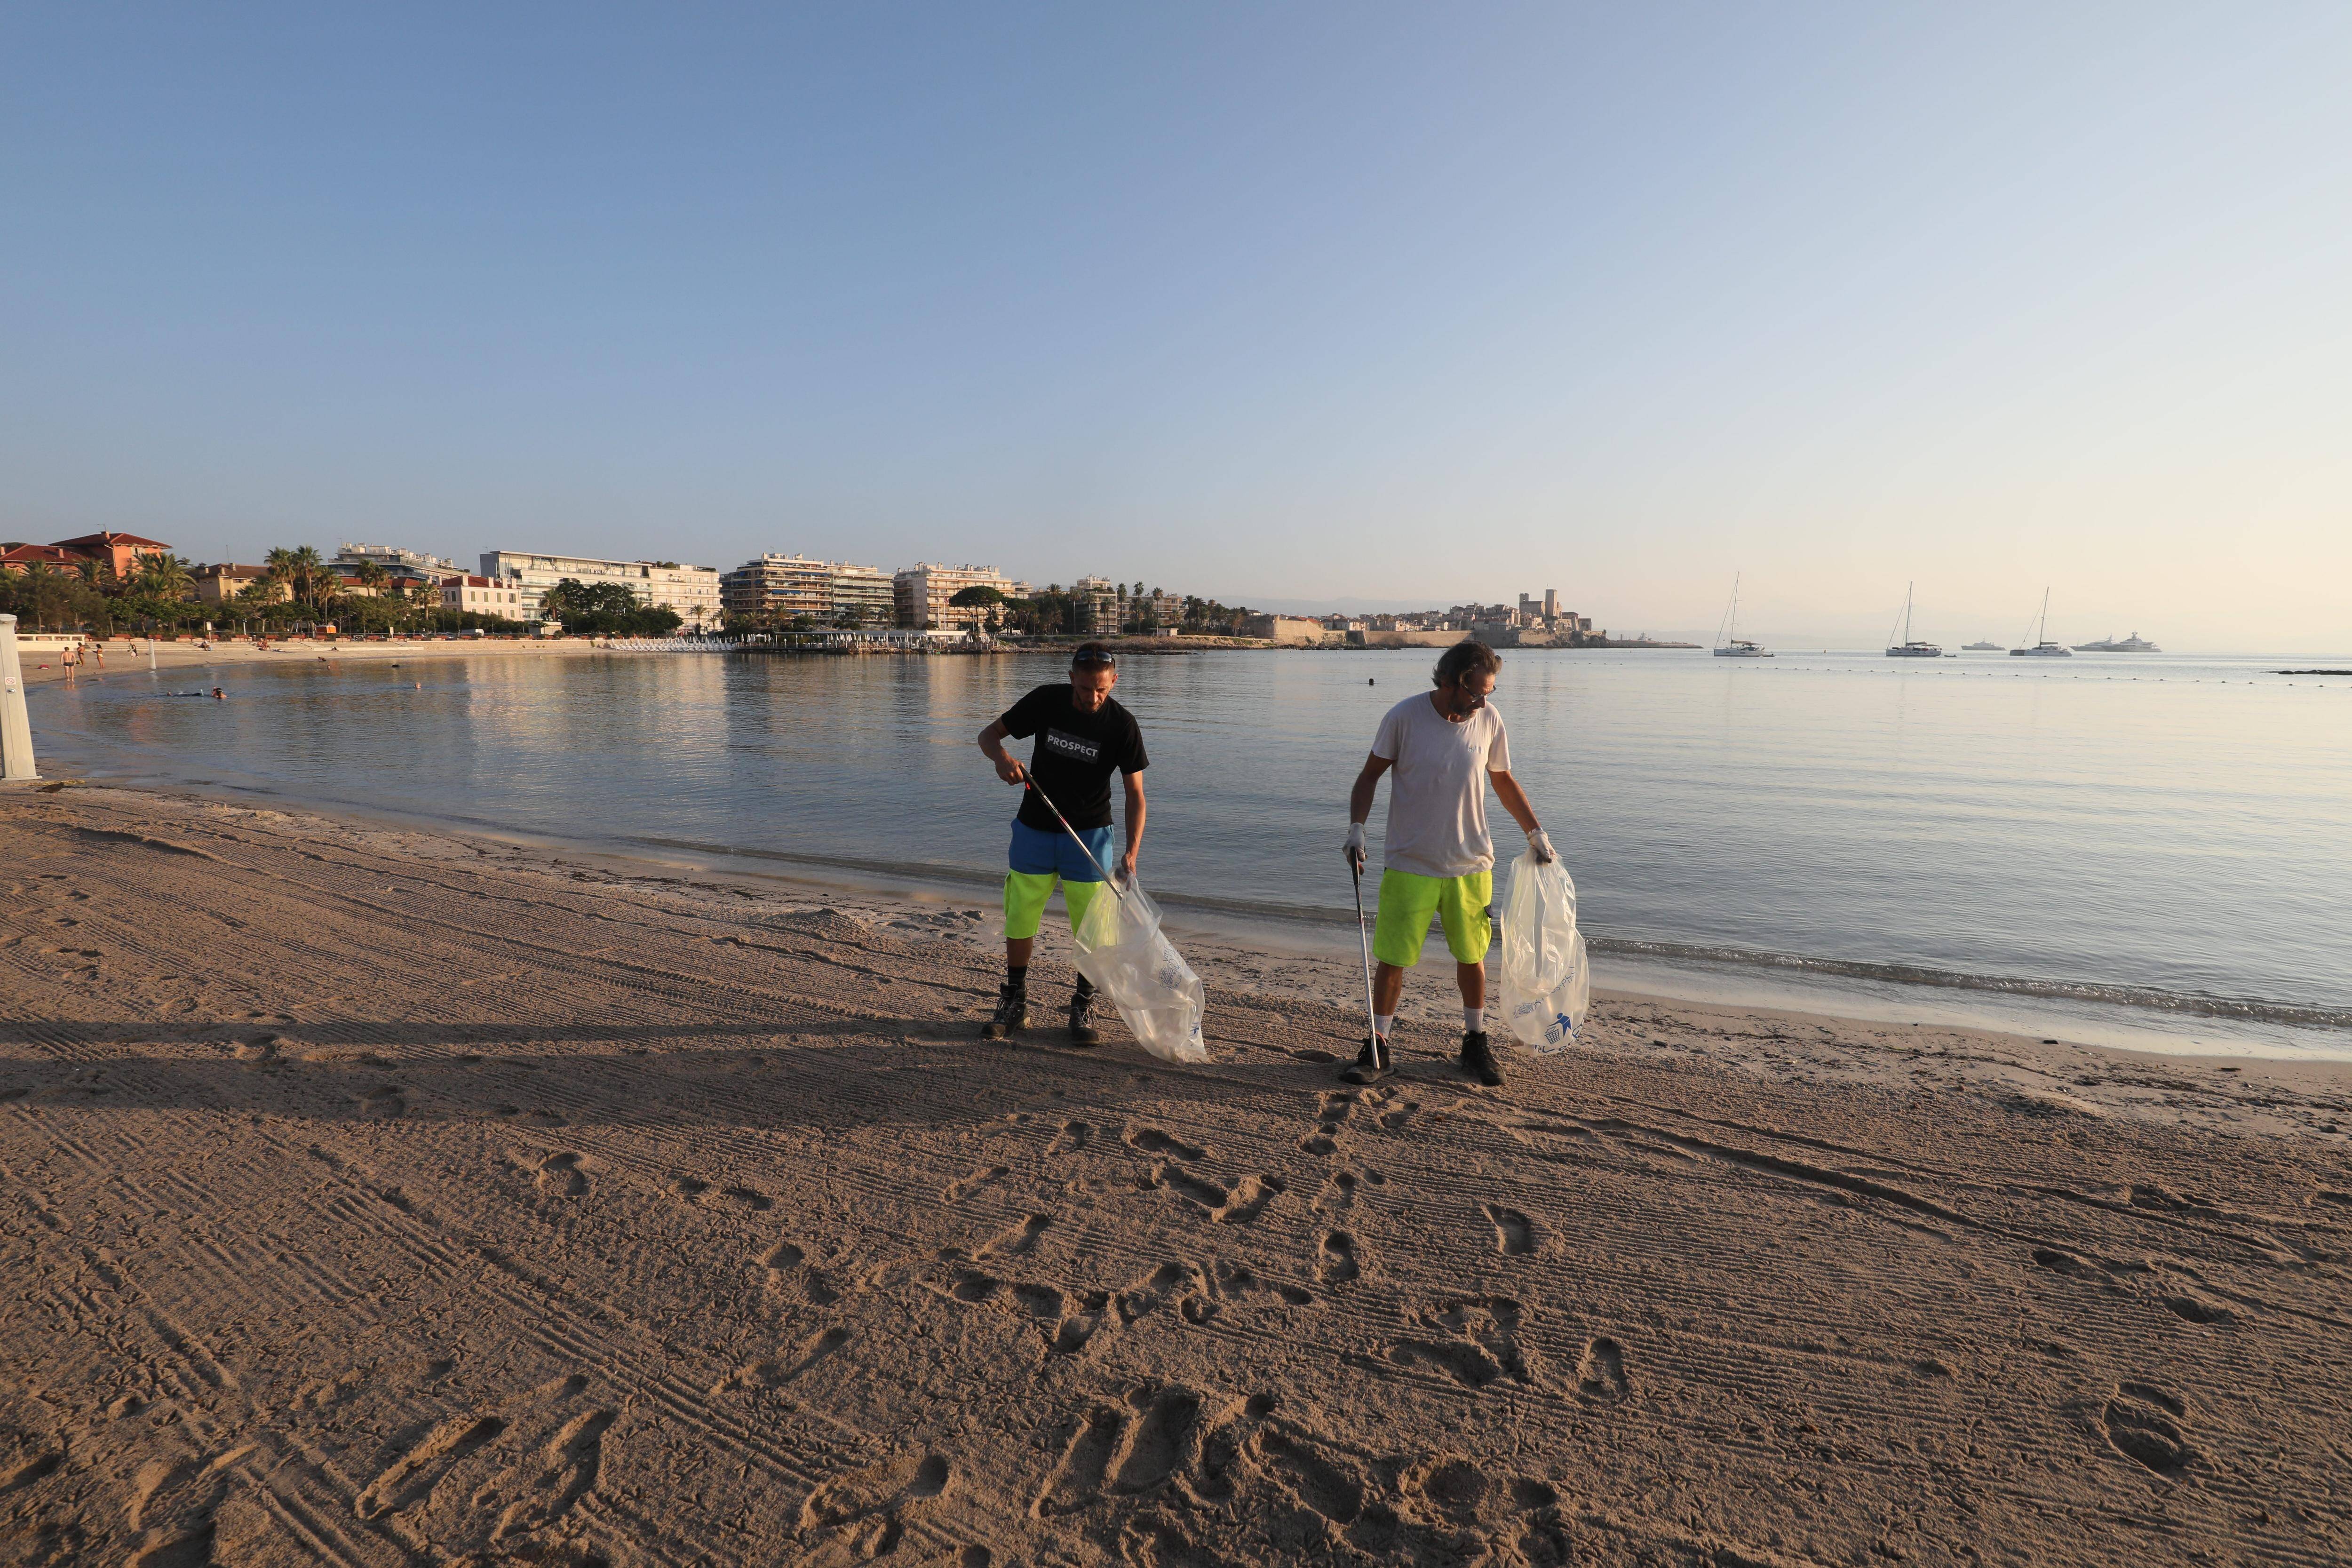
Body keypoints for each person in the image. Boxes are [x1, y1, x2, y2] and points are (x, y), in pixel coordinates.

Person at [1341, 640, 1553, 1088]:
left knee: (1472, 957)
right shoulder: (1405, 717)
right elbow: (1369, 775)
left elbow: (1503, 780)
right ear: (1451, 681)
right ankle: (1377, 1043)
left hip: (1471, 864)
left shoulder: (1489, 721)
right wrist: (1356, 828)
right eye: (1478, 692)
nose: (1484, 701)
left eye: (1490, 692)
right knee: (1393, 960)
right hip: (1410, 862)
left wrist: (1535, 833)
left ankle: (1474, 1042)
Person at [975, 643, 1149, 1046]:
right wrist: (1001, 757)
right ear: (1072, 678)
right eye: (1085, 688)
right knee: (1019, 917)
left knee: (1092, 929)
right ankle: (1015, 1001)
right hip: (1034, 827)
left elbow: (1136, 795)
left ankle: (1083, 1003)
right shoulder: (1047, 700)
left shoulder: (1122, 725)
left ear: (1114, 682)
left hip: (1089, 835)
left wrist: (1132, 850)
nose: (1092, 698)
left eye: (1102, 690)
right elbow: (987, 736)